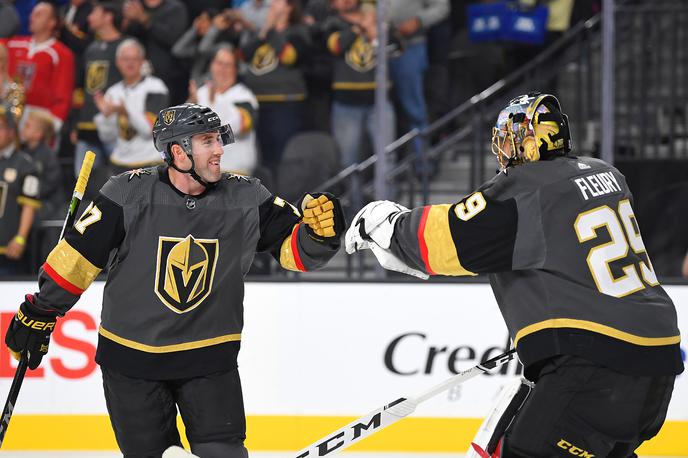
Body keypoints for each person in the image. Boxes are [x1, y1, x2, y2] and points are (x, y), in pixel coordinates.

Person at [345, 93, 683, 457]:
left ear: (530, 142)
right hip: (658, 363)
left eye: (509, 138)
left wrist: (390, 226)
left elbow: (447, 240)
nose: (502, 151)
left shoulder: (530, 187)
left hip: (596, 365)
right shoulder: (608, 175)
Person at [4, 102, 344, 457]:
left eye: (218, 140)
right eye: (208, 141)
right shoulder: (126, 194)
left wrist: (319, 237)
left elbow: (296, 251)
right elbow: (76, 260)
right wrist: (41, 312)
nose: (219, 150)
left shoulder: (247, 197)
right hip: (132, 363)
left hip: (209, 361)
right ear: (179, 152)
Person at [94, 38, 168, 174]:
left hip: (150, 160)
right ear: (117, 62)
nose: (130, 63)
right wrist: (105, 116)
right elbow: (107, 137)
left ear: (142, 61)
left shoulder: (155, 87)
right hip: (120, 162)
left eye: (135, 59)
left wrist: (125, 111)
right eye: (126, 59)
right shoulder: (112, 92)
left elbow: (150, 131)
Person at [72, 0, 125, 178]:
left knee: (121, 183)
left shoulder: (127, 47)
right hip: (87, 126)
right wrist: (75, 124)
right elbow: (81, 88)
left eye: (94, 13)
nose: (89, 17)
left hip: (115, 127)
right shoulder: (91, 49)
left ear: (108, 17)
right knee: (81, 185)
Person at [188, 44, 259, 175]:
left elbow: (234, 130)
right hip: (202, 171)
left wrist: (216, 99)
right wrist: (192, 103)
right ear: (211, 65)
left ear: (235, 69)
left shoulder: (244, 97)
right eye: (219, 63)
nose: (222, 69)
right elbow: (185, 130)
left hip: (235, 171)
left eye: (228, 65)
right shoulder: (201, 93)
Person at [3, 2, 75, 130]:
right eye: (33, 13)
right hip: (9, 112)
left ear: (51, 22)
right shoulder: (14, 44)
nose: (32, 17)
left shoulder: (61, 54)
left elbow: (63, 98)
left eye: (39, 15)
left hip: (39, 118)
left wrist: (52, 125)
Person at [0, 104, 41, 276]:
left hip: (7, 251)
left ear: (11, 131)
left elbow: (29, 206)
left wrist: (20, 238)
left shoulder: (25, 164)